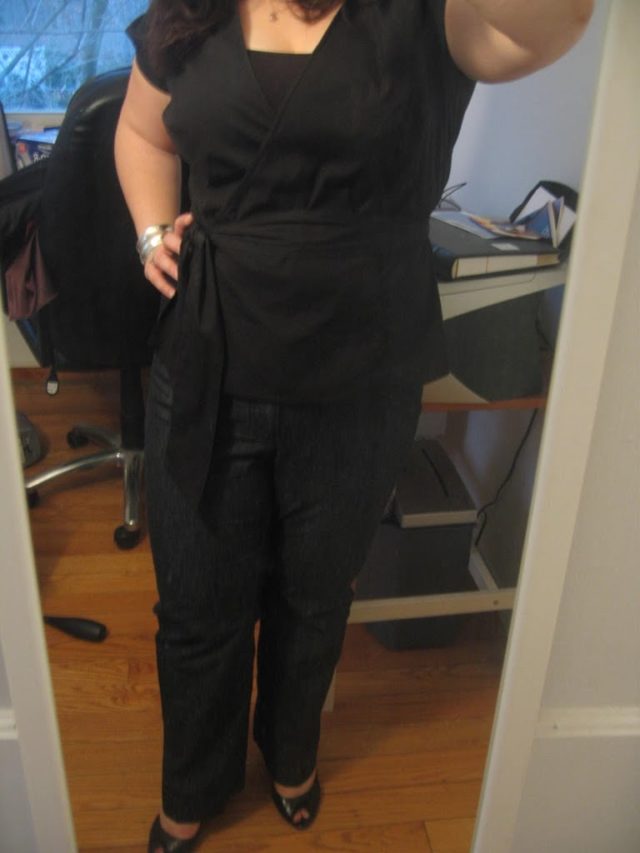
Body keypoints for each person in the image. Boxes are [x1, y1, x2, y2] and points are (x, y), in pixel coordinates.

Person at [114, 1, 593, 850]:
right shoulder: (186, 13)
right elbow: (143, 133)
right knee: (197, 604)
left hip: (361, 374)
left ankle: (291, 752)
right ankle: (193, 781)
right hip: (207, 361)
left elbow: (549, 22)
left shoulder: (426, 16)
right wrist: (153, 232)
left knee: (315, 593)